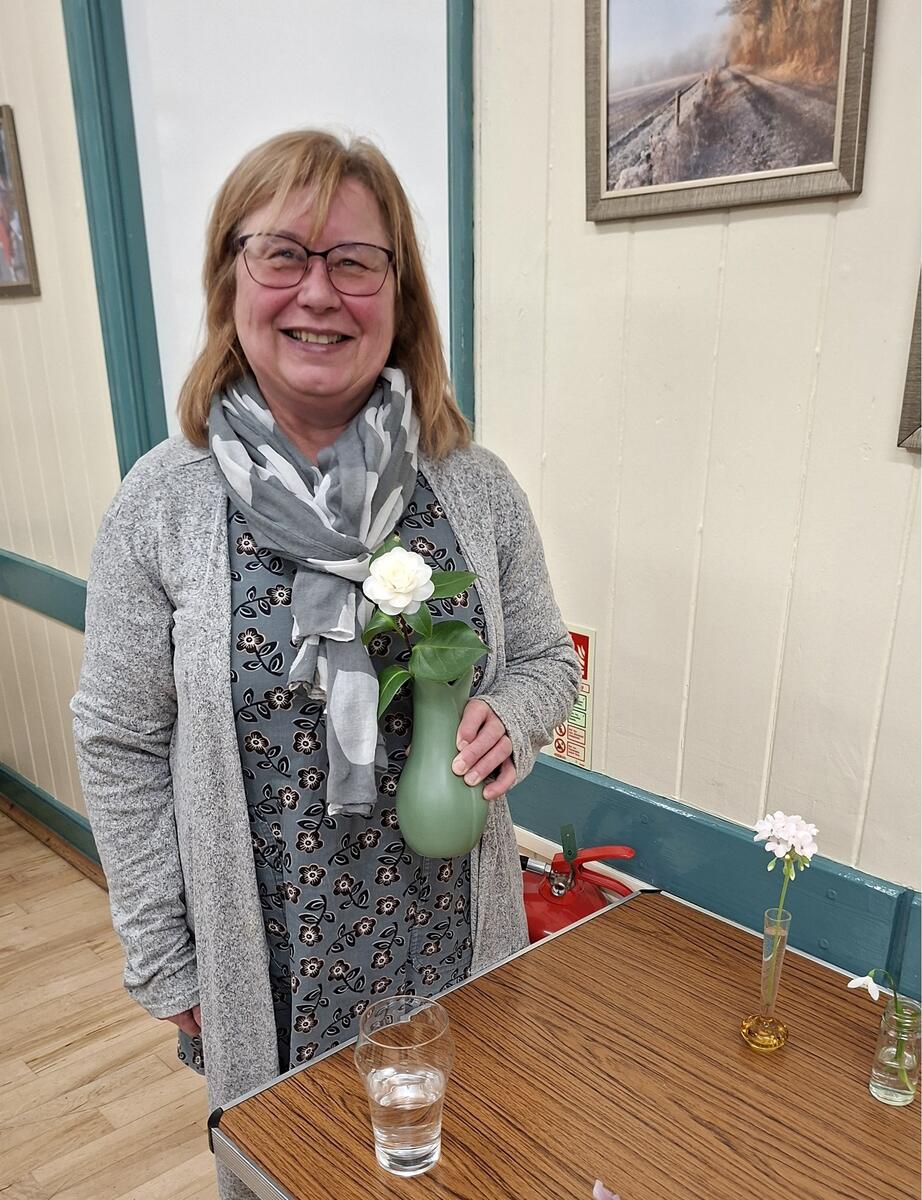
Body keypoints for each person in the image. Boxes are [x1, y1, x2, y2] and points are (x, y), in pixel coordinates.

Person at [72, 129, 578, 1200]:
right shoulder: (162, 503)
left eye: (355, 260)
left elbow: (541, 660)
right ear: (230, 279)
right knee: (283, 1178)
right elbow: (119, 742)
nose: (320, 292)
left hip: (452, 943)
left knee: (462, 1170)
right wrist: (166, 956)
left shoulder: (471, 487)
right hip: (269, 957)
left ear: (399, 295)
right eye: (282, 255)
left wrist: (515, 719)